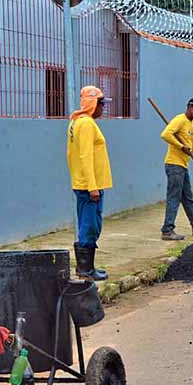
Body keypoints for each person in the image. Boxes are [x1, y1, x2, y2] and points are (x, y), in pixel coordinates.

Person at [67, 85, 114, 281]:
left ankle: (87, 267)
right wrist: (92, 186)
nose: (103, 108)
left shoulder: (76, 122)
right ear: (92, 103)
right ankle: (86, 270)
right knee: (90, 225)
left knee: (89, 224)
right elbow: (85, 156)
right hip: (89, 187)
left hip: (85, 184)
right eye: (101, 104)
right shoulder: (85, 124)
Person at [159, 97, 193, 241]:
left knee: (188, 197)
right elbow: (166, 134)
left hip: (183, 165)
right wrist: (181, 146)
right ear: (189, 107)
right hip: (174, 164)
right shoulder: (179, 120)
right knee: (174, 197)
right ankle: (167, 230)